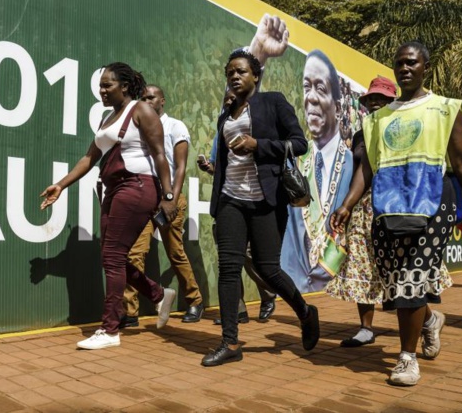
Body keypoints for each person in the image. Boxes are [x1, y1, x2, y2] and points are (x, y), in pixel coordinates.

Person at [331, 41, 462, 386]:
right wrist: (347, 205)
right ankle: (431, 319)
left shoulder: (446, 109)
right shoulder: (377, 119)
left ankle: (406, 358)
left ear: (425, 66)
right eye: (399, 63)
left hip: (433, 204)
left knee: (412, 277)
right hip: (388, 207)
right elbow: (368, 168)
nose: (404, 68)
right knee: (394, 284)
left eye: (411, 62)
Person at [40, 63, 178, 350]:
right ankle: (159, 294)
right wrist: (61, 185)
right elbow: (90, 158)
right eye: (100, 86)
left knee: (113, 255)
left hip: (139, 185)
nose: (101, 91)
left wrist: (168, 197)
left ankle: (110, 329)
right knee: (111, 256)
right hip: (112, 187)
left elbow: (160, 156)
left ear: (124, 86)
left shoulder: (142, 110)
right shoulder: (107, 119)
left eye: (107, 85)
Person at [201, 50, 319, 367]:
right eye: (230, 73)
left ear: (255, 75)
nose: (234, 77)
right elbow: (225, 162)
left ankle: (305, 313)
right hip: (230, 200)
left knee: (268, 270)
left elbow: (300, 143)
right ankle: (230, 341)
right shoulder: (225, 115)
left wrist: (258, 145)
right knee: (228, 268)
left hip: (266, 199)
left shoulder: (273, 102)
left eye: (241, 71)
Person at [120, 85, 205, 327]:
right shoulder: (140, 128)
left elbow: (180, 167)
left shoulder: (175, 126)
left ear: (162, 101)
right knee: (134, 255)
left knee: (175, 252)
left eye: (150, 97)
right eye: (142, 98)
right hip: (145, 197)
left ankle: (194, 300)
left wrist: (170, 199)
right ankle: (130, 313)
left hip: (170, 197)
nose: (146, 101)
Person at [324, 76, 396, 347]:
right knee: (361, 265)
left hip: (393, 207)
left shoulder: (398, 128)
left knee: (397, 266)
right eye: (371, 99)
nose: (375, 103)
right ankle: (366, 328)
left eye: (382, 98)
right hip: (362, 208)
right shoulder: (359, 134)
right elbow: (359, 171)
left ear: (393, 102)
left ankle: (424, 320)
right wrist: (346, 206)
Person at [199, 89, 278, 324]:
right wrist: (208, 166)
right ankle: (237, 311)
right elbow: (220, 167)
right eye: (226, 100)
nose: (229, 102)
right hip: (227, 201)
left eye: (233, 99)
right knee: (228, 261)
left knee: (253, 258)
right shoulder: (221, 130)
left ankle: (269, 293)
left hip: (255, 200)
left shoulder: (255, 124)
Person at [281, 50, 354, 293]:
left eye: (320, 88)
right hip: (294, 282)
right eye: (306, 87)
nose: (311, 97)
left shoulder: (352, 162)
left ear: (337, 104)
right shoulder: (295, 161)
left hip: (336, 279)